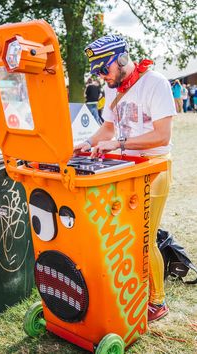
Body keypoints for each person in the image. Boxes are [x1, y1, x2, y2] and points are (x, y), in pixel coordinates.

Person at [74, 34, 176, 322]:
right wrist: (87, 142)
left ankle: (158, 302)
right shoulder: (114, 88)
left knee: (145, 239)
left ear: (121, 59)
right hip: (124, 168)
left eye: (104, 70)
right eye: (96, 72)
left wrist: (120, 144)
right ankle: (129, 290)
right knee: (123, 237)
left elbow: (162, 135)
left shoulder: (155, 83)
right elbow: (107, 129)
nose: (101, 77)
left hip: (155, 166)